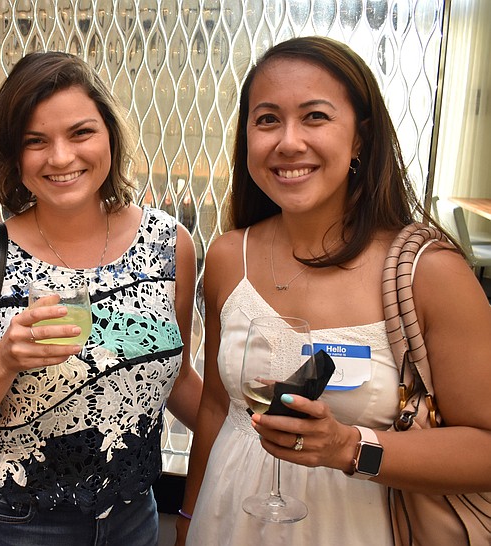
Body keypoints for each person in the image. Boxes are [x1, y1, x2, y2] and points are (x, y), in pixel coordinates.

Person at [175, 36, 491, 545]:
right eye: (267, 119)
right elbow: (217, 409)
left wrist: (349, 447)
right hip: (225, 521)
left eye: (315, 117)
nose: (288, 142)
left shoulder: (427, 274)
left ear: (361, 138)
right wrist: (187, 523)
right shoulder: (230, 256)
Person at [0, 51, 203, 545]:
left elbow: (173, 380)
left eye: (81, 133)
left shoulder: (168, 243)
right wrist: (3, 361)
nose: (62, 157)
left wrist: (256, 421)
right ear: (13, 156)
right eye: (36, 142)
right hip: (12, 524)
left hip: (134, 518)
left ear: (109, 135)